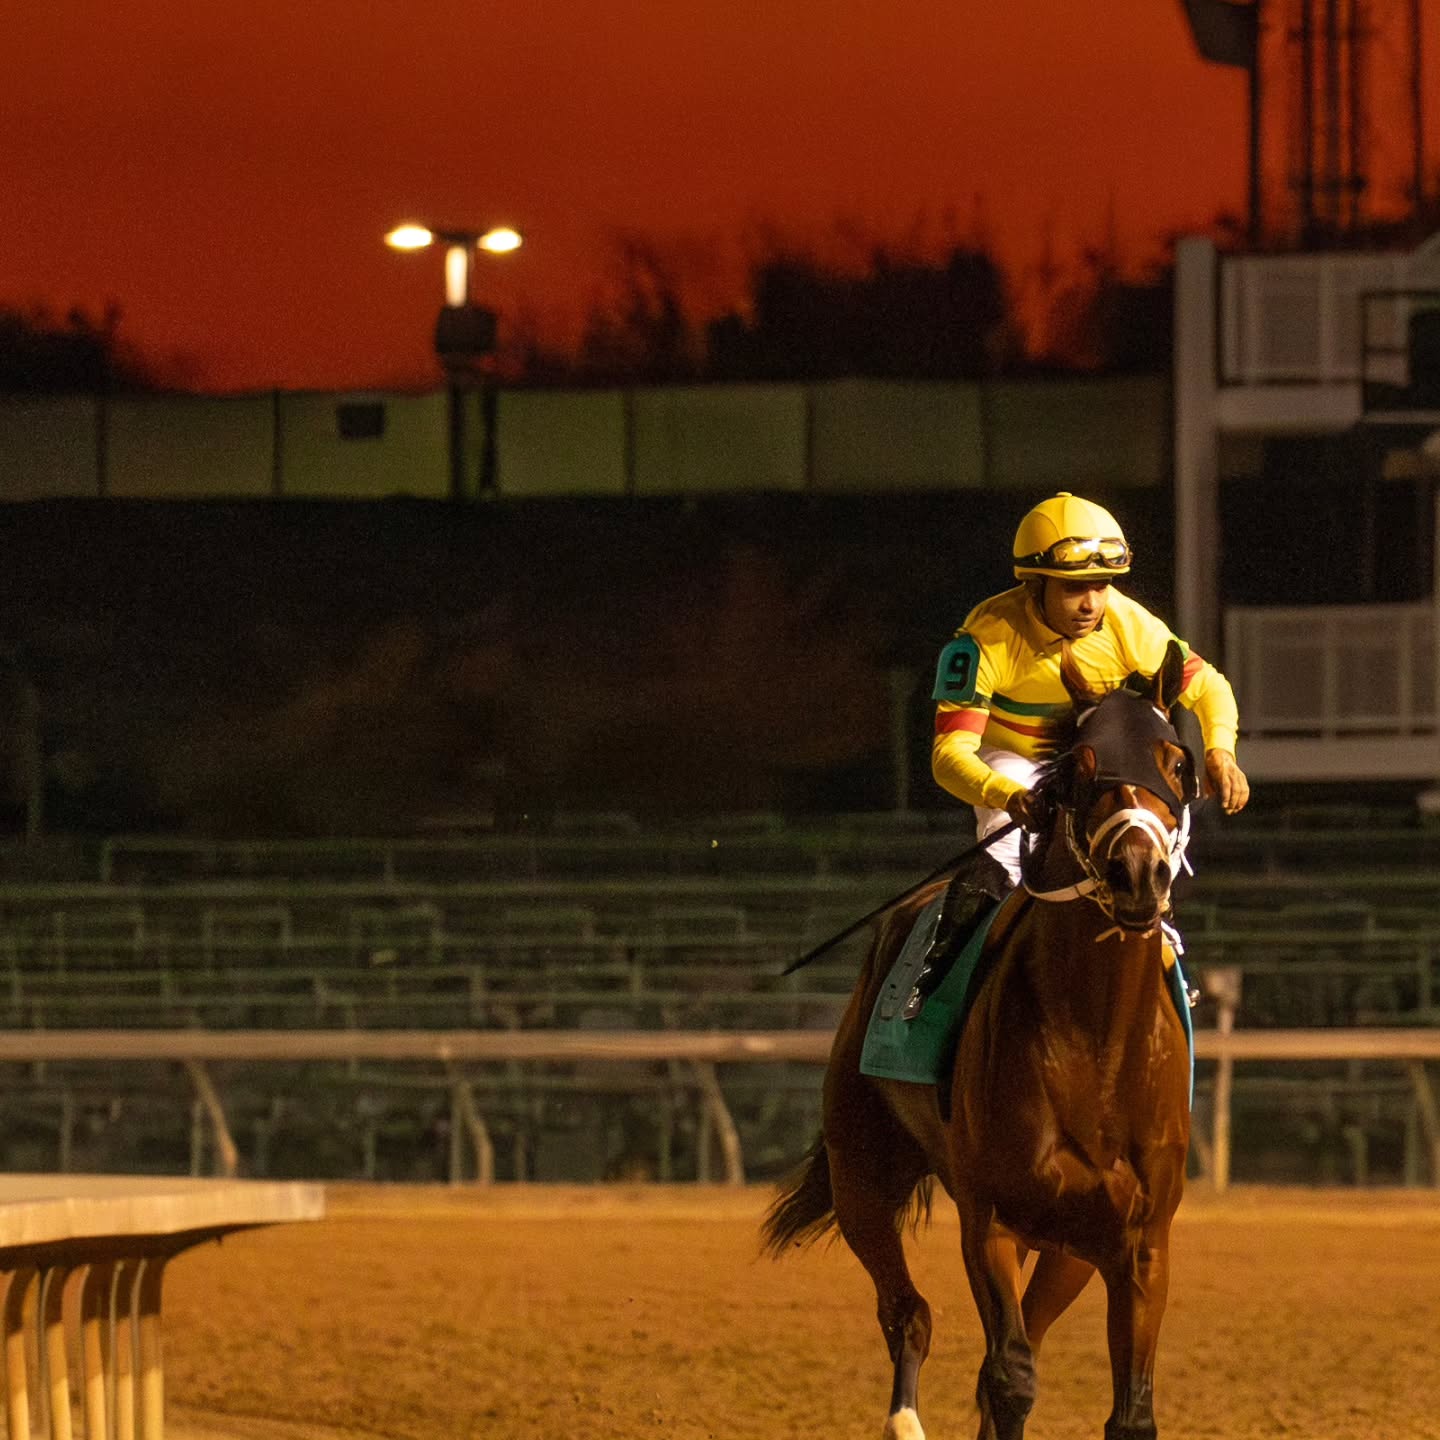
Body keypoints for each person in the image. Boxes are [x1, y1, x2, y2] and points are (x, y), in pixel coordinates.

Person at [904, 491, 1249, 1019]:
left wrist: (1221, 750)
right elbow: (950, 754)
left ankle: (1167, 946)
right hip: (1014, 758)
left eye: (1101, 585)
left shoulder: (1129, 624)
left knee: (1150, 830)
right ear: (1035, 583)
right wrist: (1006, 794)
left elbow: (1210, 689)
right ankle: (939, 979)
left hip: (1096, 755)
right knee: (1006, 856)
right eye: (1073, 588)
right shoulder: (984, 639)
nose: (1092, 603)